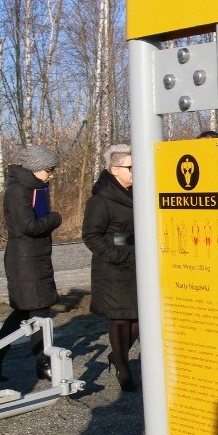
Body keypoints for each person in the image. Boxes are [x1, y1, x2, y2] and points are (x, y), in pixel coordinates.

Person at [0, 145, 62, 382]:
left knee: (26, 308)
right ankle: (42, 360)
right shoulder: (18, 191)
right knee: (38, 308)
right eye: (49, 170)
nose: (51, 175)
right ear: (35, 168)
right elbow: (29, 226)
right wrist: (55, 218)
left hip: (35, 257)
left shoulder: (35, 188)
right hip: (24, 260)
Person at [82, 144, 139, 392]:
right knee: (119, 317)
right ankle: (123, 369)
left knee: (139, 318)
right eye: (130, 167)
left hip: (137, 264)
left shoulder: (137, 193)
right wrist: (118, 255)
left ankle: (119, 355)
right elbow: (91, 236)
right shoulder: (101, 199)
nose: (136, 171)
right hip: (113, 268)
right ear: (115, 169)